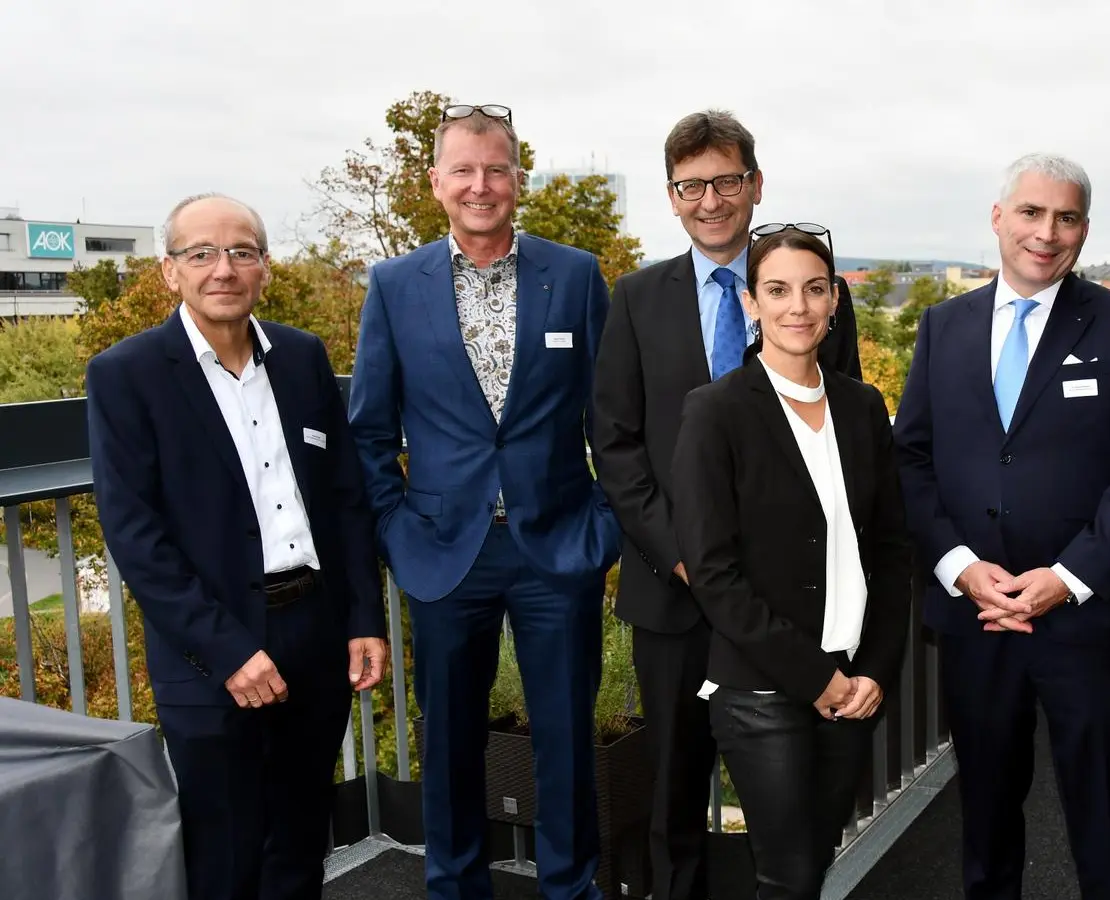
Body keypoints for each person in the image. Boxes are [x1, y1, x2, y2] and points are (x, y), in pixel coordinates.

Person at [347, 104, 620, 900]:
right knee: (452, 743)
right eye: (462, 170)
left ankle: (571, 888)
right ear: (436, 183)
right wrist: (398, 530)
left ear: (518, 180)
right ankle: (455, 886)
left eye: (495, 169)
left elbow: (611, 417)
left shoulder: (573, 274)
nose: (480, 185)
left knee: (566, 740)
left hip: (557, 546)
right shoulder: (395, 286)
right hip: (442, 550)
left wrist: (602, 524)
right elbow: (369, 429)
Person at [591, 109, 861, 900]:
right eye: (691, 186)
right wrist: (682, 556)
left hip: (785, 609)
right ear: (672, 197)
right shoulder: (635, 299)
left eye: (726, 181)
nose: (710, 200)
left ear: (755, 184)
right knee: (673, 795)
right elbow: (616, 445)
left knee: (792, 805)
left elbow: (836, 439)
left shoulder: (802, 289)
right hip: (671, 596)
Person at [87, 193, 388, 900]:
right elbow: (135, 534)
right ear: (171, 272)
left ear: (264, 268)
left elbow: (345, 500)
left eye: (241, 252)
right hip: (209, 653)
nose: (223, 268)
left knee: (299, 835)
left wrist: (362, 618)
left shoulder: (303, 358)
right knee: (223, 852)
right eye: (201, 253)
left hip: (312, 631)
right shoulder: (125, 374)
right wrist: (228, 652)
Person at [894, 154, 1110, 900]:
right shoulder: (942, 327)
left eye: (1067, 217)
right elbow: (910, 460)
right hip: (976, 621)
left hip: (1082, 621)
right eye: (1031, 213)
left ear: (1083, 228)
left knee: (1105, 825)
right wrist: (958, 566)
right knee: (983, 821)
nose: (1047, 233)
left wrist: (1066, 579)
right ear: (997, 217)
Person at [670, 225, 913, 900]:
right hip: (762, 691)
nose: (797, 307)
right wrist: (817, 679)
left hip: (853, 683)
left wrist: (872, 672)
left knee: (815, 858)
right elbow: (713, 573)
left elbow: (892, 552)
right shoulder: (715, 413)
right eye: (777, 290)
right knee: (789, 876)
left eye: (814, 289)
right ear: (751, 302)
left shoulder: (863, 409)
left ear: (836, 299)